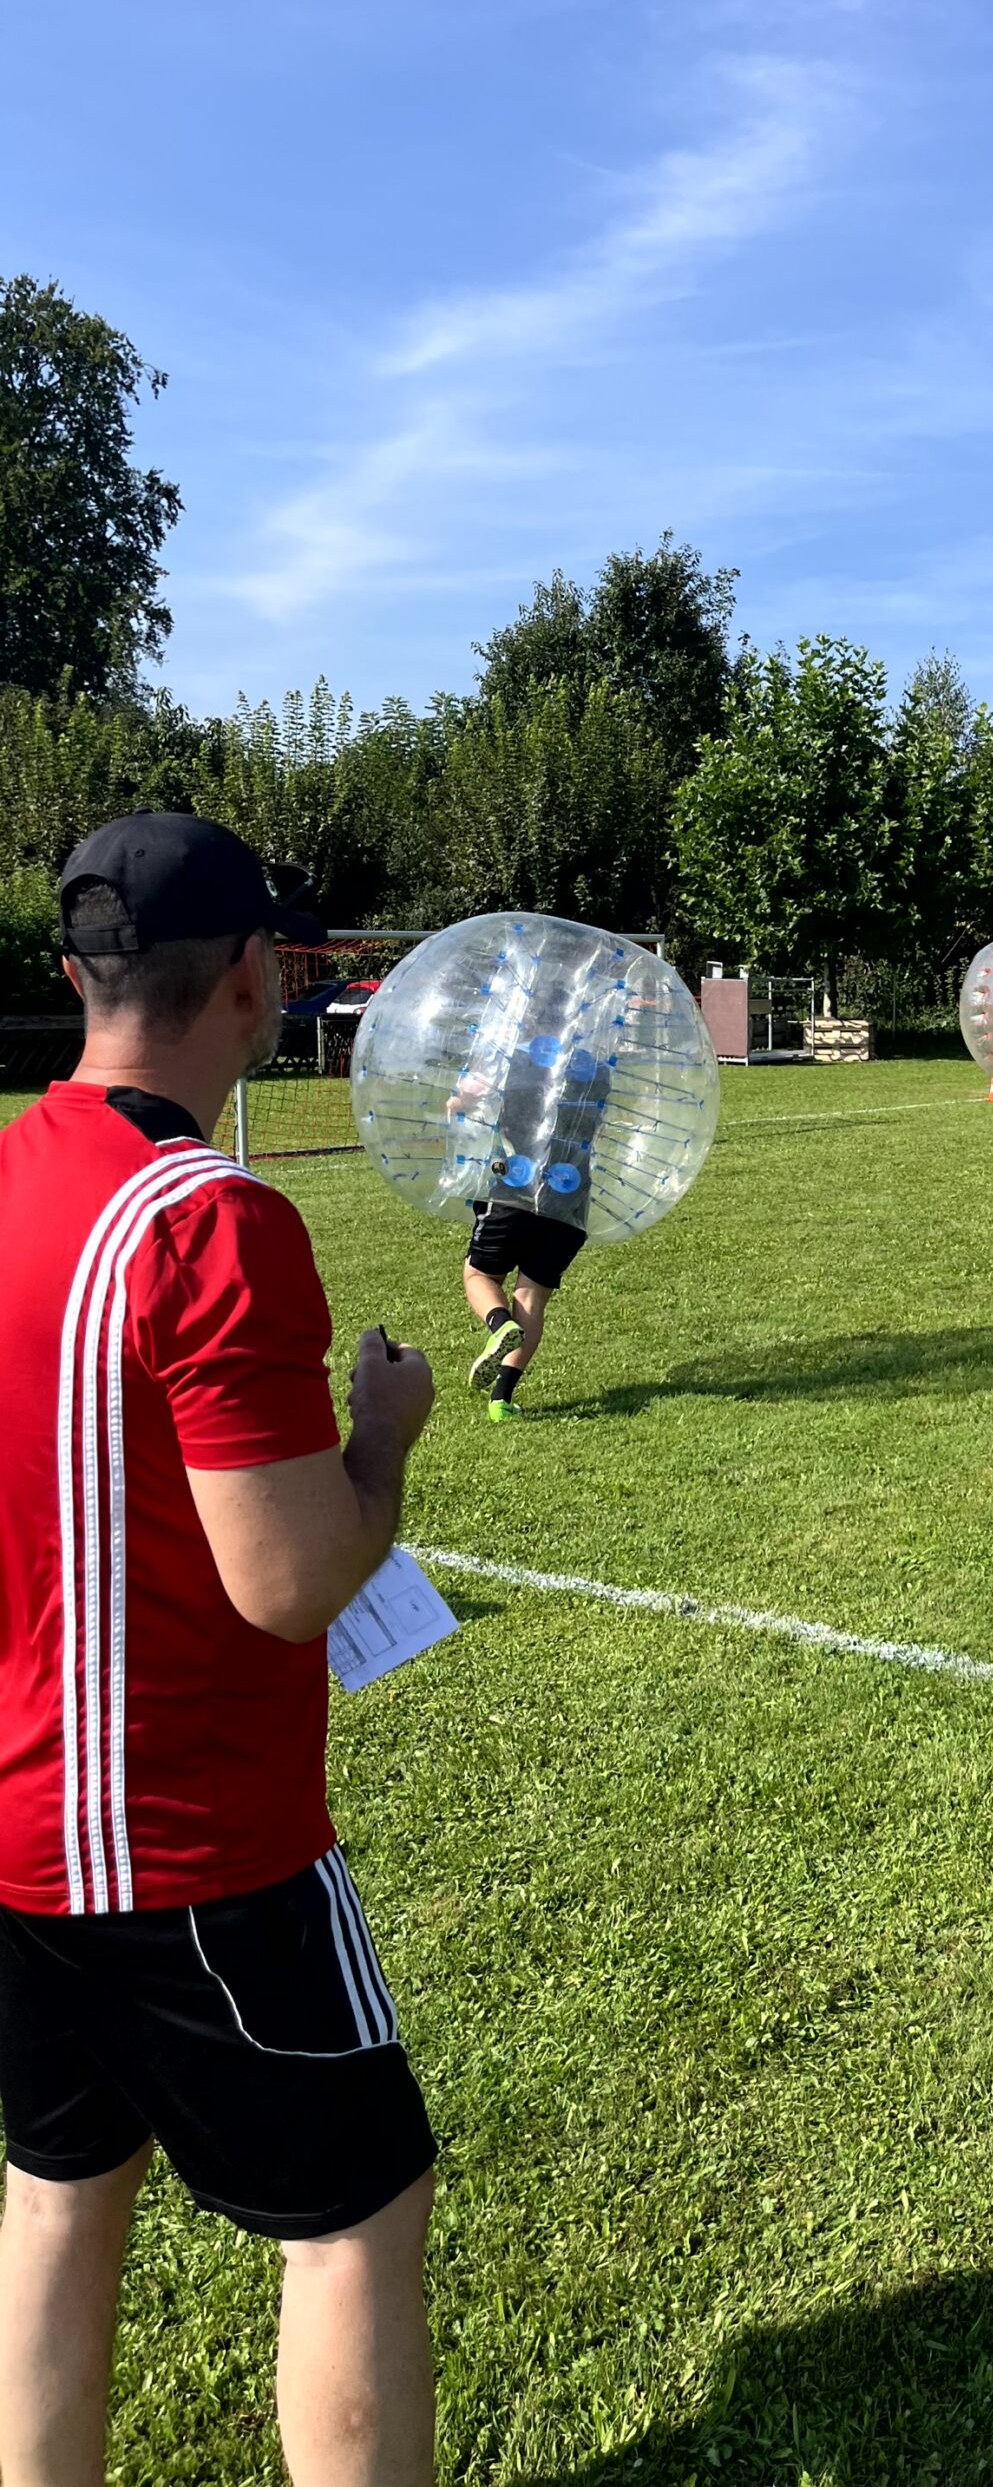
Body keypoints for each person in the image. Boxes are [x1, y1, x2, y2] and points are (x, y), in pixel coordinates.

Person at [0, 814, 440, 2485]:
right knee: (353, 2224)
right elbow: (291, 1579)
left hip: (23, 1821)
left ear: (77, 978)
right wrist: (381, 1441)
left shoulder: (9, 1175)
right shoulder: (207, 1225)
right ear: (256, 981)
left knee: (59, 2191)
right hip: (189, 1844)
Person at [460, 1033, 612, 1421]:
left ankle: (499, 1324)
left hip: (516, 1189)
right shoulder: (593, 1071)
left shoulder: (515, 1061)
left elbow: (465, 1099)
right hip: (570, 1196)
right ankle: (501, 1400)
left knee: (479, 1274)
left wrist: (458, 1101)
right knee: (531, 1297)